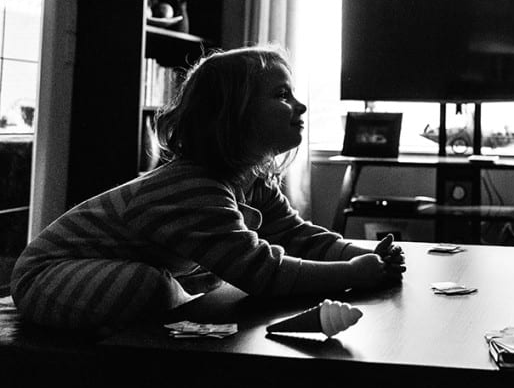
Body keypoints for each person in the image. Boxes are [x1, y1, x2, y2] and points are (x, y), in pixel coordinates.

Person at [12, 46, 405, 331]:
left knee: (199, 280)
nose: (300, 106)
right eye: (282, 95)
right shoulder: (192, 187)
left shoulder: (253, 181)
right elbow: (262, 273)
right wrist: (350, 273)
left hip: (100, 271)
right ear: (233, 117)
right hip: (46, 276)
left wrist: (365, 254)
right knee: (151, 286)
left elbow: (298, 235)